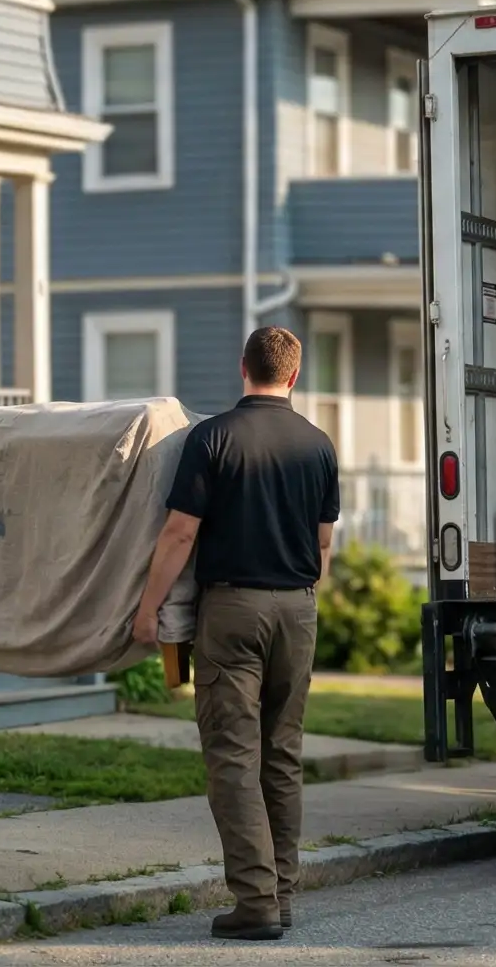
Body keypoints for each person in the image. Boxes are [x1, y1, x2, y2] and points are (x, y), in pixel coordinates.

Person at [131, 327, 339, 942]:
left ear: (241, 367)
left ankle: (255, 903)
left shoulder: (213, 437)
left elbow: (178, 534)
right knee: (282, 755)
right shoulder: (319, 445)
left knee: (232, 757)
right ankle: (283, 892)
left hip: (234, 611)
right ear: (294, 376)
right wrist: (299, 596)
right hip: (298, 610)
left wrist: (149, 610)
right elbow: (324, 544)